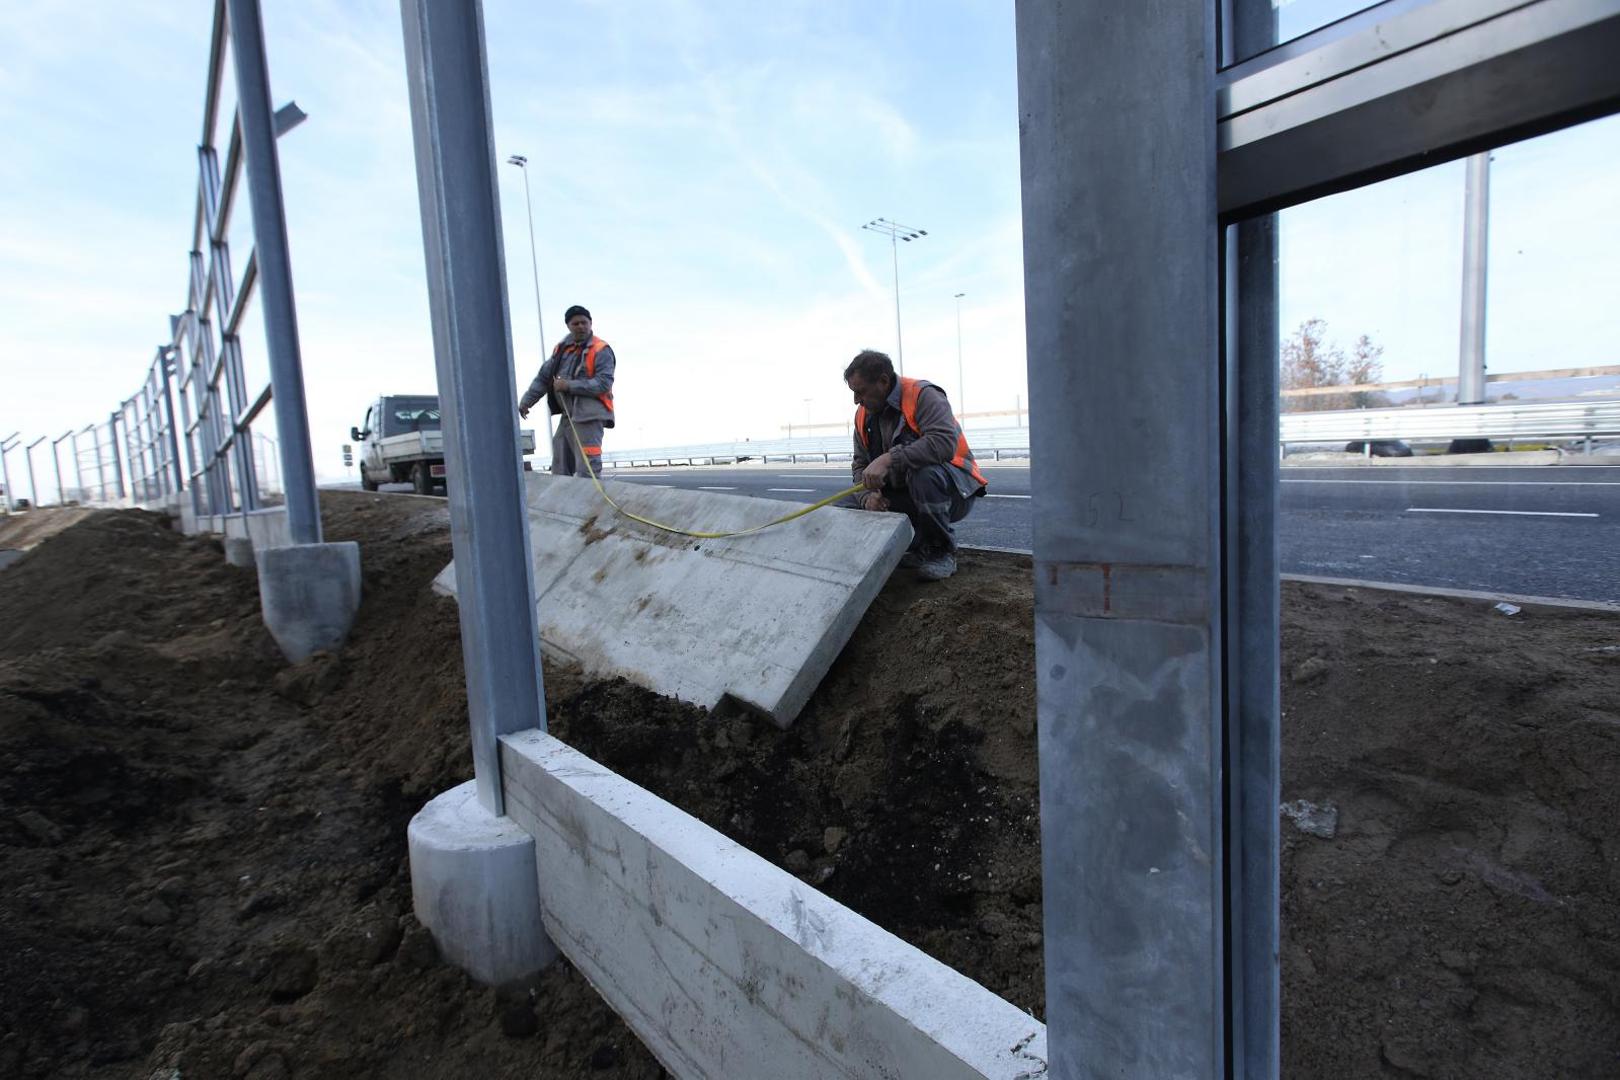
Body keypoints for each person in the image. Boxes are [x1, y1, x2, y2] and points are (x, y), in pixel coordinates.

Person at [842, 349, 986, 581]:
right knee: (843, 506)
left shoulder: (923, 396)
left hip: (953, 492)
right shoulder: (863, 415)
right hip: (906, 495)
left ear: (883, 381)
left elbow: (944, 443)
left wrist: (889, 459)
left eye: (861, 391)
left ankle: (941, 550)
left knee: (924, 474)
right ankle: (915, 545)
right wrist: (867, 497)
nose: (856, 400)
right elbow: (860, 466)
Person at [519, 305, 616, 477]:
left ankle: (592, 494)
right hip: (568, 416)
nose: (580, 326)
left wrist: (569, 386)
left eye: (584, 322)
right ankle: (563, 494)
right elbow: (543, 378)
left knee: (587, 469)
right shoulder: (562, 349)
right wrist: (527, 401)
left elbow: (603, 383)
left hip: (589, 416)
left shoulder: (601, 349)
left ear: (590, 323)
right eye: (575, 323)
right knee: (560, 466)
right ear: (568, 326)